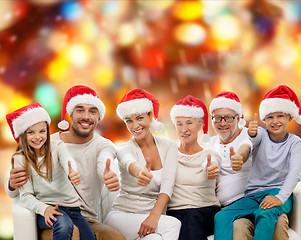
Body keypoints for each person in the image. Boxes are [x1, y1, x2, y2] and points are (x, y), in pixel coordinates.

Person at [5, 85, 125, 240]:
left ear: (99, 117)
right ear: (70, 113)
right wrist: (12, 183)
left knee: (116, 238)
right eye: (80, 110)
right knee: (71, 233)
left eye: (92, 111)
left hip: (85, 219)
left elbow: (105, 159)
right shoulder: (45, 142)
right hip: (52, 218)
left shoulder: (103, 145)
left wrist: (107, 174)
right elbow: (15, 191)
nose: (86, 116)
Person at [214, 85, 301, 240]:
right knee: (221, 216)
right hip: (254, 195)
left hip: (279, 193)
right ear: (264, 119)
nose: (275, 121)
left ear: (290, 117)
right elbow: (250, 142)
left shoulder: (295, 144)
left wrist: (280, 197)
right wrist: (248, 141)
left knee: (265, 212)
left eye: (280, 116)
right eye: (270, 117)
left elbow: (296, 172)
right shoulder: (260, 133)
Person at [5, 103, 95, 240]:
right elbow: (26, 196)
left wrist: (72, 170)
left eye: (42, 131)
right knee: (64, 225)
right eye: (31, 132)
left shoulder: (57, 146)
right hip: (46, 208)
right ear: (23, 134)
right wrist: (44, 209)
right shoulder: (20, 159)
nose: (37, 137)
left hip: (73, 209)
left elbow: (67, 159)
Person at [104, 88, 181, 240]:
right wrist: (139, 171)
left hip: (149, 219)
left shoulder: (169, 147)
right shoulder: (124, 149)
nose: (135, 126)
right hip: (122, 216)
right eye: (129, 121)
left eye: (139, 118)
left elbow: (167, 185)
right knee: (173, 224)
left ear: (150, 116)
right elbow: (128, 162)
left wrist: (154, 216)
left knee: (155, 238)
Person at [166, 95, 221, 240]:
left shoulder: (210, 154)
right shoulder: (169, 155)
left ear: (200, 125)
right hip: (175, 212)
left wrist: (210, 168)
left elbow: (211, 164)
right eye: (179, 124)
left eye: (189, 123)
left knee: (191, 219)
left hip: (204, 211)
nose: (184, 129)